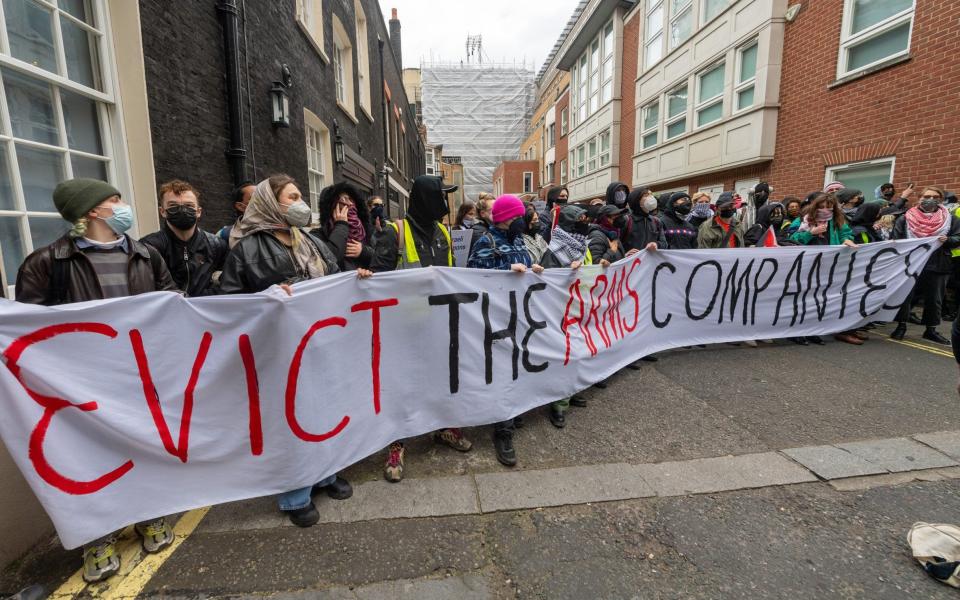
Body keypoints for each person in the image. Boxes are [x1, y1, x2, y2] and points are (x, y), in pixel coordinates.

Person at [15, 178, 179, 582]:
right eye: (114, 200)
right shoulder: (46, 263)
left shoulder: (146, 255)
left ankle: (148, 515)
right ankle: (98, 535)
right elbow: (27, 328)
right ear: (91, 211)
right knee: (88, 457)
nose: (122, 206)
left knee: (142, 445)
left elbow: (172, 301)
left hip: (138, 375)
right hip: (80, 383)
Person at [219, 175, 357, 527]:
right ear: (271, 203)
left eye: (300, 195)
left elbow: (336, 274)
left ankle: (326, 474)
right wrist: (268, 296)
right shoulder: (247, 249)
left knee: (326, 410)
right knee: (293, 417)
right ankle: (296, 492)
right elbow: (230, 302)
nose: (300, 202)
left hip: (321, 342)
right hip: (281, 350)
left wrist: (359, 279)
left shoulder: (309, 239)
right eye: (292, 197)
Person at [371, 175, 473, 482]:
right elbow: (377, 280)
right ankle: (396, 444)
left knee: (440, 379)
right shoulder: (394, 233)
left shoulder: (443, 231)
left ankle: (443, 427)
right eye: (442, 197)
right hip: (402, 329)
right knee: (401, 386)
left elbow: (451, 275)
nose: (446, 204)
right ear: (426, 199)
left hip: (438, 325)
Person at [467, 195, 543, 466]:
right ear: (503, 218)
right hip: (497, 321)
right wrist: (506, 268)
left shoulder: (519, 240)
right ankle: (503, 430)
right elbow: (473, 273)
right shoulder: (486, 241)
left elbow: (522, 271)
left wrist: (533, 270)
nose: (520, 221)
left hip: (520, 317)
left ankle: (514, 410)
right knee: (502, 372)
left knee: (517, 368)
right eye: (515, 216)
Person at [538, 204, 592, 425]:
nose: (586, 222)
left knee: (578, 353)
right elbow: (548, 287)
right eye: (581, 219)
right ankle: (558, 404)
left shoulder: (581, 247)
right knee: (564, 356)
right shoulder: (554, 252)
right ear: (570, 223)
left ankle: (570, 391)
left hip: (580, 307)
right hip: (561, 313)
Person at [789, 194, 864, 345]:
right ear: (815, 207)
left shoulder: (837, 220)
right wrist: (810, 233)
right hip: (806, 265)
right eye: (821, 207)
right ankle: (796, 331)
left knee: (818, 299)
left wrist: (846, 240)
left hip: (828, 266)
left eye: (829, 207)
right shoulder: (804, 218)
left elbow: (846, 233)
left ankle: (812, 330)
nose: (825, 210)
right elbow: (792, 237)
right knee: (802, 298)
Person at [890, 186, 960, 345]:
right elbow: (896, 239)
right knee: (906, 296)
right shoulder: (906, 217)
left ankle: (931, 330)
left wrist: (948, 240)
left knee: (935, 299)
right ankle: (901, 326)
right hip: (911, 263)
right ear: (920, 198)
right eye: (927, 196)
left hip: (939, 263)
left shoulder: (950, 219)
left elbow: (958, 236)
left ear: (941, 199)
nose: (930, 199)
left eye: (935, 196)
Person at [141, 180, 227, 297]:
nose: (182, 210)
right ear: (162, 211)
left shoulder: (217, 246)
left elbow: (228, 284)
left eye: (189, 205)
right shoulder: (149, 247)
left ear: (198, 212)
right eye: (173, 206)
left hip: (205, 310)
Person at [311, 182, 374, 272]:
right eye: (343, 200)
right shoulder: (317, 235)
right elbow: (328, 260)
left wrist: (364, 252)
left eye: (350, 199)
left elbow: (380, 260)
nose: (349, 204)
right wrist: (341, 225)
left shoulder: (367, 231)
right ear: (332, 207)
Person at [625, 187, 667, 253]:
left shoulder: (656, 221)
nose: (651, 197)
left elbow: (664, 244)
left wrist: (656, 244)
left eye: (651, 195)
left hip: (651, 262)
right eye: (646, 195)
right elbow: (616, 245)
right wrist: (625, 254)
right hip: (632, 262)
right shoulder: (627, 220)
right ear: (636, 200)